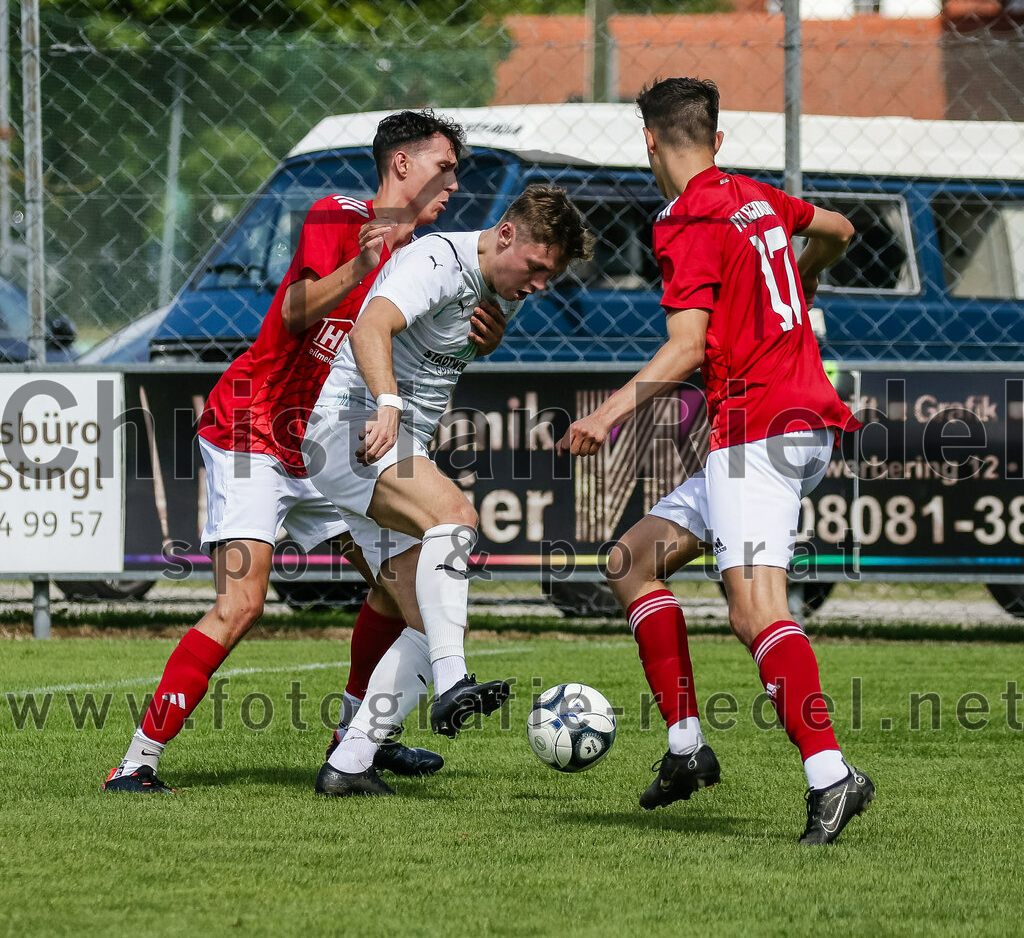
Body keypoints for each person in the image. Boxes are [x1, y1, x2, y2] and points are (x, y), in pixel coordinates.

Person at [104, 110, 507, 794]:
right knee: (242, 604)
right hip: (254, 434)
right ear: (401, 164)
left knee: (406, 596)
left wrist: (479, 340)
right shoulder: (339, 213)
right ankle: (136, 762)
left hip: (331, 448)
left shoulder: (427, 256)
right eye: (445, 167)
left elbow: (422, 357)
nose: (455, 183)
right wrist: (361, 264)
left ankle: (355, 744)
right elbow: (294, 312)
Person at [557, 77, 873, 845]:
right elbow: (839, 228)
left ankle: (831, 777)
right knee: (632, 561)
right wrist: (809, 277)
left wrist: (605, 412)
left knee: (755, 609)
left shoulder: (685, 218)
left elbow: (687, 345)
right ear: (717, 140)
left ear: (649, 144)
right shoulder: (757, 196)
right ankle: (685, 749)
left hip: (759, 433)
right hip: (790, 426)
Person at [302, 183, 593, 797]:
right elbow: (369, 326)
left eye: (552, 276)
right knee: (456, 516)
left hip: (386, 439)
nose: (539, 284)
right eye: (537, 267)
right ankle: (453, 680)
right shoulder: (438, 261)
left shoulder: (501, 289)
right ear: (505, 234)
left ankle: (349, 763)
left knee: (421, 615)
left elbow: (443, 346)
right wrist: (385, 404)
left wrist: (489, 342)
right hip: (352, 429)